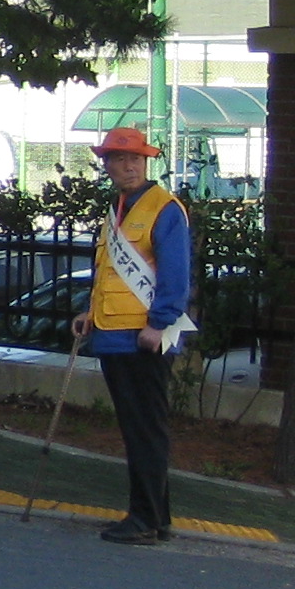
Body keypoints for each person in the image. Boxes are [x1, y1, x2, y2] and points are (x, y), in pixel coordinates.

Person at [70, 123, 192, 545]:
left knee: (145, 429)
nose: (129, 166)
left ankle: (145, 517)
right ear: (107, 166)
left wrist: (159, 323)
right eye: (120, 159)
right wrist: (90, 312)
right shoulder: (119, 209)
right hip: (113, 334)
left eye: (135, 159)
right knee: (139, 428)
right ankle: (157, 515)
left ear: (146, 162)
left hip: (142, 337)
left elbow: (176, 273)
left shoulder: (164, 208)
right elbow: (109, 272)